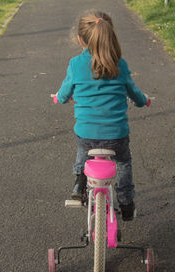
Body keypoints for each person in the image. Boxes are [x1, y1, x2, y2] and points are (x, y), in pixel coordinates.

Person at [55, 11, 150, 221]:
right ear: (109, 35)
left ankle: (79, 183)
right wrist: (143, 101)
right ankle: (125, 202)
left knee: (83, 149)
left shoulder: (75, 64)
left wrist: (60, 98)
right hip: (116, 135)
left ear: (80, 39)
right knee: (124, 162)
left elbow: (63, 95)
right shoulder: (120, 64)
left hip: (86, 134)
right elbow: (134, 93)